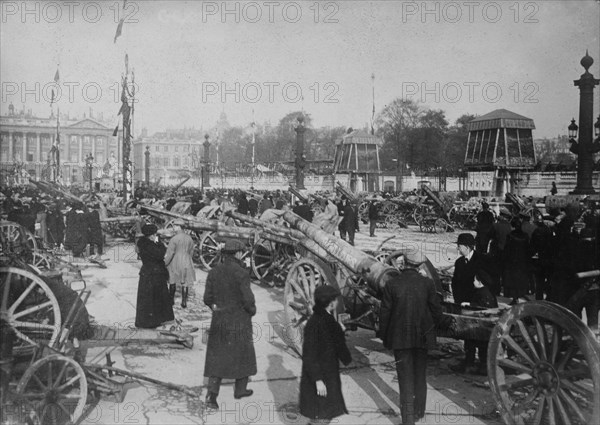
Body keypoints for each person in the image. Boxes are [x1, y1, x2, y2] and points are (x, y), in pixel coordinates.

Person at [379, 251, 454, 425]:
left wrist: (385, 337)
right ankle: (419, 411)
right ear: (419, 266)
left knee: (405, 378)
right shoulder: (427, 284)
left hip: (400, 339)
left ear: (404, 263)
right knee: (420, 375)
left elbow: (384, 314)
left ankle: (408, 420)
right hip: (422, 338)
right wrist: (447, 322)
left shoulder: (392, 284)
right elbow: (436, 311)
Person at [204, 239, 256, 410]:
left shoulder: (214, 272)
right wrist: (251, 311)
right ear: (239, 253)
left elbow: (207, 298)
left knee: (217, 356)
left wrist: (215, 308)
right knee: (243, 354)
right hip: (239, 319)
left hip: (220, 319)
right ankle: (240, 390)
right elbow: (248, 300)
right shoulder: (241, 273)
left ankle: (212, 396)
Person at [299, 285, 351, 423]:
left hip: (326, 375)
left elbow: (336, 342)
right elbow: (309, 354)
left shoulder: (319, 320)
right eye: (336, 299)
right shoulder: (321, 323)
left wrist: (340, 331)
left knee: (324, 414)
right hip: (321, 378)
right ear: (331, 302)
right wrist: (318, 380)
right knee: (321, 416)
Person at [135, 224, 175, 328]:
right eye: (154, 235)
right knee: (156, 298)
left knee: (147, 299)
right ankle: (153, 321)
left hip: (146, 273)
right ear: (151, 235)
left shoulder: (142, 243)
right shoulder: (151, 245)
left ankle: (147, 320)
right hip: (155, 274)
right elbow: (160, 255)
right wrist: (160, 244)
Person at [164, 219, 196, 308]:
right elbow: (192, 251)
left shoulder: (174, 239)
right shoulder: (189, 238)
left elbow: (170, 253)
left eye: (174, 226)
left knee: (172, 280)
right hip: (187, 261)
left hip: (175, 261)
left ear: (178, 227)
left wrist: (165, 263)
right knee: (185, 282)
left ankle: (171, 301)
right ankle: (184, 302)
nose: (173, 228)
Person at [503, 218, 531, 305]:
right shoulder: (525, 235)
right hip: (522, 261)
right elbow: (528, 249)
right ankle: (520, 295)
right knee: (520, 279)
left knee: (513, 280)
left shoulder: (510, 235)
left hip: (512, 261)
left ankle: (515, 298)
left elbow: (506, 249)